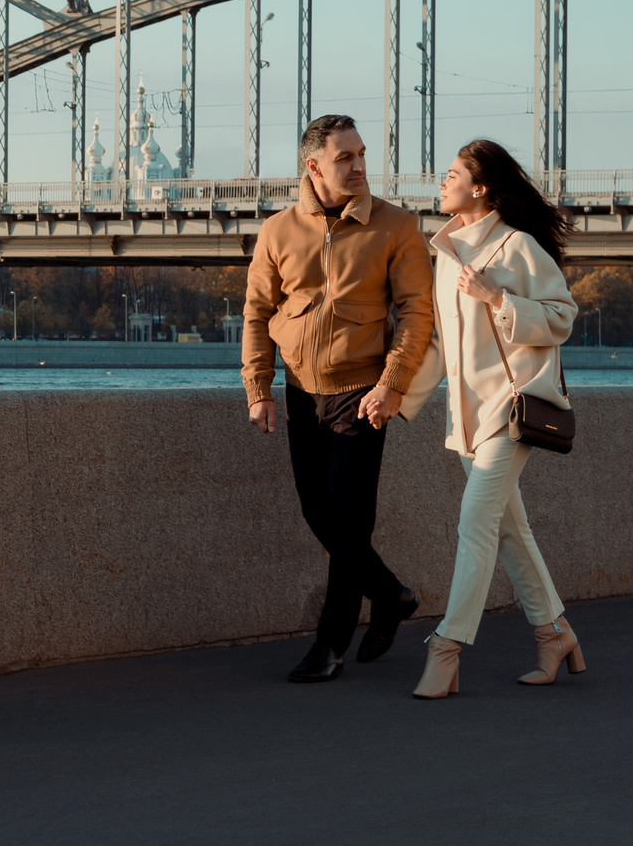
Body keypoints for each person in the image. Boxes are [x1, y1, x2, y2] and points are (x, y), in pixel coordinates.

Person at [244, 114, 436, 683]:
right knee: (316, 512)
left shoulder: (396, 227)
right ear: (313, 166)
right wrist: (259, 388)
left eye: (361, 154)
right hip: (301, 391)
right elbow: (257, 313)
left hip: (364, 393)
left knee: (349, 523)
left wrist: (391, 385)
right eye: (344, 158)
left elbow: (417, 315)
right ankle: (391, 595)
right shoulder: (278, 231)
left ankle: (328, 647)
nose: (358, 166)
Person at [411, 138, 583, 700]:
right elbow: (441, 345)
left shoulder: (516, 247)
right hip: (466, 417)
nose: (442, 182)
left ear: (479, 188)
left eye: (452, 174)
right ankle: (555, 633)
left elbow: (562, 317)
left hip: (510, 412)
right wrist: (398, 400)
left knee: (475, 524)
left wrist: (498, 299)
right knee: (510, 529)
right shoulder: (446, 254)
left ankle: (446, 646)